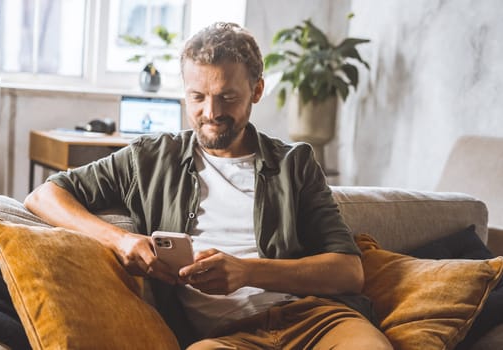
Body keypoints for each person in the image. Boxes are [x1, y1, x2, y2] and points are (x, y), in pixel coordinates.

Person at [24, 22, 392, 350]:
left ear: (257, 90)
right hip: (227, 338)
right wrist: (120, 240)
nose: (211, 113)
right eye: (197, 97)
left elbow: (349, 271)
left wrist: (247, 271)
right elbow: (45, 195)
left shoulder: (295, 163)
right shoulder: (150, 158)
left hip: (316, 323)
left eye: (227, 97)